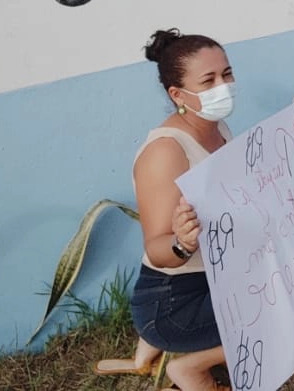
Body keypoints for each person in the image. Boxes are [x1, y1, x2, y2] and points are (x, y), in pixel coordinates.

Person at [111, 29, 239, 391]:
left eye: (226, 74)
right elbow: (157, 247)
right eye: (209, 80)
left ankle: (151, 347)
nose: (223, 86)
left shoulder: (219, 128)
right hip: (173, 300)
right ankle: (189, 369)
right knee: (280, 311)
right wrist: (182, 242)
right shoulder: (165, 153)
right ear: (178, 95)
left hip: (213, 278)